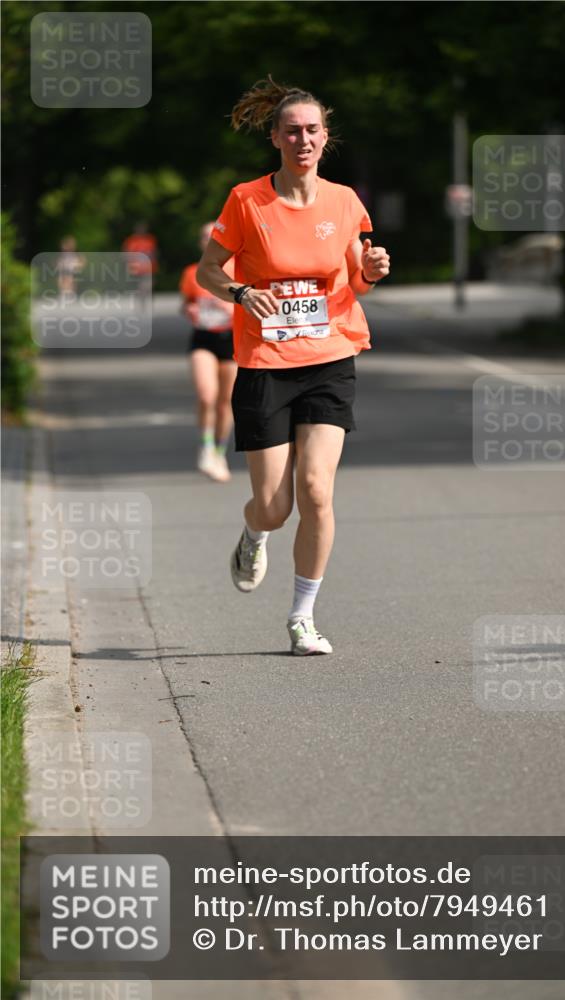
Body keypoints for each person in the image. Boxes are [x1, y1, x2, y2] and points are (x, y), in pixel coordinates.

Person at [196, 77, 390, 655]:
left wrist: (374, 269)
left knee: (317, 490)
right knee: (277, 507)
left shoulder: (344, 201)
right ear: (276, 139)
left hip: (330, 357)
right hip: (265, 362)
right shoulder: (247, 200)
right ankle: (254, 531)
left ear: (325, 138)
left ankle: (303, 617)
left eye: (312, 130)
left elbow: (358, 279)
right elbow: (209, 270)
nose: (302, 139)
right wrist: (238, 292)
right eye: (292, 131)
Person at [180, 222, 237, 482]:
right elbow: (187, 305)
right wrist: (189, 311)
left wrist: (233, 311)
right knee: (206, 396)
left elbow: (260, 306)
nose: (208, 241)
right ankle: (205, 448)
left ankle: (219, 452)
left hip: (233, 340)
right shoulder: (192, 272)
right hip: (203, 338)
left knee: (226, 403)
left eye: (212, 236)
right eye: (204, 237)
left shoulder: (239, 270)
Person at [122, 221, 158, 301]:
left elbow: (154, 253)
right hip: (137, 268)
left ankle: (145, 296)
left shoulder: (150, 240)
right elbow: (127, 254)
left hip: (148, 267)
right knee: (140, 285)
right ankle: (142, 298)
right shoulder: (132, 241)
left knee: (149, 285)